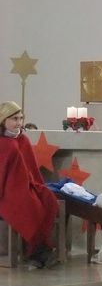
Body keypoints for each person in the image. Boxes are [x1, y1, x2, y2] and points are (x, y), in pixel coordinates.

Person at [0, 101, 59, 268]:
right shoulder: (2, 143)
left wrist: (37, 186)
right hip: (6, 191)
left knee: (48, 199)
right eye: (14, 119)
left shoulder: (22, 139)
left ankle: (39, 248)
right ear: (3, 120)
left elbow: (31, 169)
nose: (19, 123)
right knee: (30, 205)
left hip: (26, 185)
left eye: (21, 118)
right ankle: (38, 251)